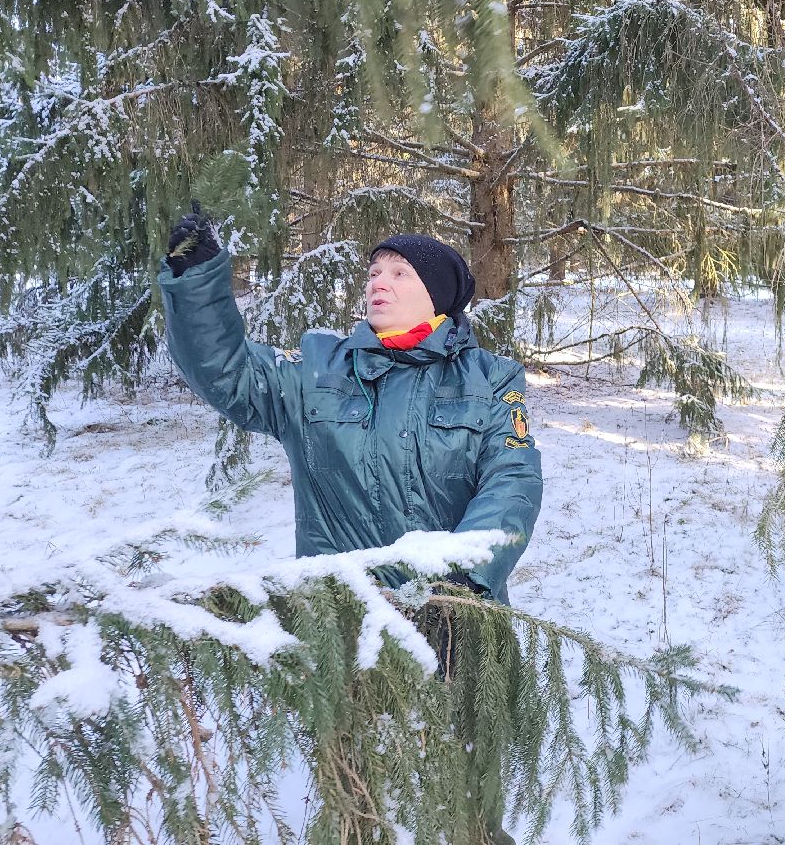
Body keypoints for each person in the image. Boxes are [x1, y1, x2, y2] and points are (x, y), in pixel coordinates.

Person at [159, 210, 540, 844]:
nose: (378, 283)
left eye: (398, 272)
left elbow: (513, 480)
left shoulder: (490, 380)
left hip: (458, 620)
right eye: (373, 272)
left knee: (465, 790)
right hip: (345, 622)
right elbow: (226, 371)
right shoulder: (317, 370)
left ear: (438, 295)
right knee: (357, 793)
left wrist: (463, 584)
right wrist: (198, 280)